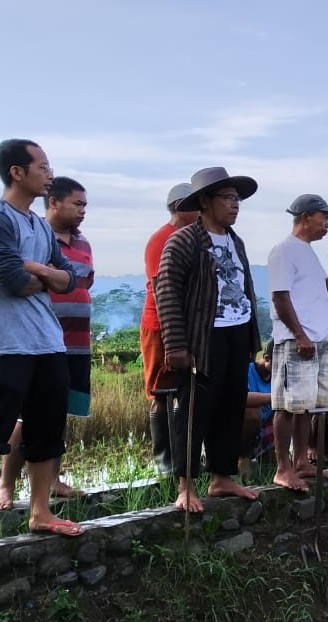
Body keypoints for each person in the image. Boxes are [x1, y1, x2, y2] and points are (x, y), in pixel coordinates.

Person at [0, 139, 83, 557]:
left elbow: (70, 281)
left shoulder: (39, 226)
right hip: (2, 344)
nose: (50, 173)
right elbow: (13, 281)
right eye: (43, 166)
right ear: (17, 172)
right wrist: (40, 274)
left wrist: (36, 268)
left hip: (47, 343)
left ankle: (41, 512)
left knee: (47, 433)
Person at [156, 166, 262, 512]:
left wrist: (251, 338)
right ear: (205, 201)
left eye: (237, 199)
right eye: (228, 198)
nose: (235, 205)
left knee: (231, 404)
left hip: (237, 332)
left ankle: (222, 476)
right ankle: (186, 485)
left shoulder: (236, 241)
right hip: (204, 337)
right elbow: (167, 292)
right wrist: (175, 345)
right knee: (194, 409)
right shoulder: (184, 240)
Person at [0, 176, 94, 510]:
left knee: (58, 413)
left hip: (77, 342)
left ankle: (52, 479)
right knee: (24, 417)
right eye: (77, 204)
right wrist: (52, 276)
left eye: (85, 205)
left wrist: (56, 277)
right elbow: (23, 279)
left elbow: (78, 283)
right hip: (40, 340)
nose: (82, 211)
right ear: (54, 202)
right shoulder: (37, 238)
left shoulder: (84, 245)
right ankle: (5, 486)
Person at [268, 193, 328, 492]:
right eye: (323, 217)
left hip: (318, 339)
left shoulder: (309, 252)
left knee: (307, 405)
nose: (327, 223)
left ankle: (301, 461)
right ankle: (282, 467)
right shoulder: (283, 251)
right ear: (305, 218)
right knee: (287, 406)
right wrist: (300, 334)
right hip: (296, 339)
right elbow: (280, 297)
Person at [141, 182, 199, 474]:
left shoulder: (195, 237)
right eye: (195, 206)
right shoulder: (162, 239)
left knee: (186, 391)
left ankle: (183, 458)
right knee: (161, 392)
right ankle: (163, 460)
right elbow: (162, 287)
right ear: (179, 208)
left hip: (187, 326)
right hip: (160, 326)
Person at [242, 341, 275, 473]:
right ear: (267, 359)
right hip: (241, 427)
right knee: (251, 412)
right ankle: (243, 457)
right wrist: (275, 397)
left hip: (265, 427)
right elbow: (241, 398)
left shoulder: (280, 374)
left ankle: (270, 455)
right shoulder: (247, 370)